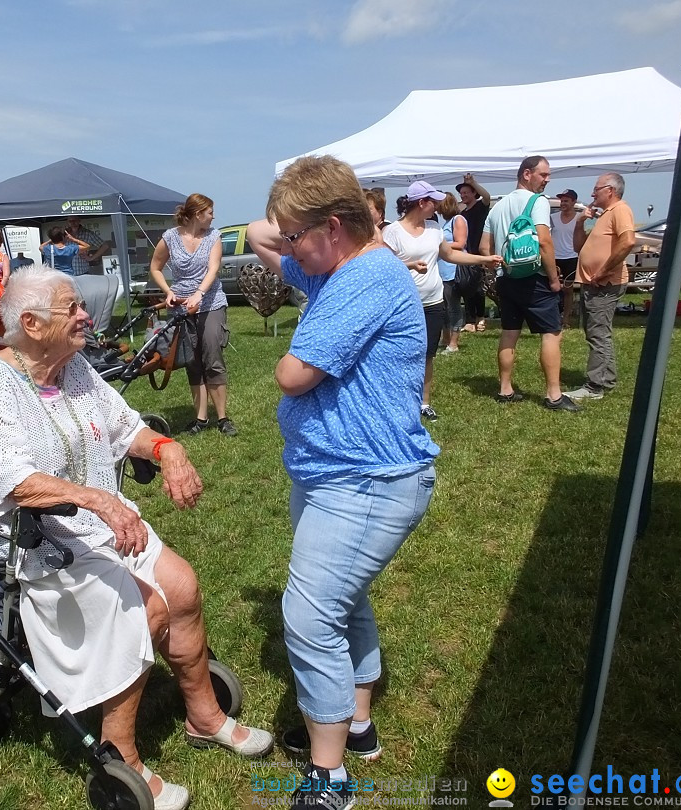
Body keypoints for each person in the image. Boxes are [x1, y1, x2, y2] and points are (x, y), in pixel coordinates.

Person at [0, 266, 273, 810]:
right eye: (71, 308)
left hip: (94, 527)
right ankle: (119, 750)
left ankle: (204, 715)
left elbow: (127, 428)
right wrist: (102, 502)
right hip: (29, 542)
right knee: (145, 609)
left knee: (184, 586)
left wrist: (169, 450)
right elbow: (16, 481)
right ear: (30, 323)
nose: (85, 315)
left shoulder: (73, 367)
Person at [246, 156, 439, 810]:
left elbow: (293, 373)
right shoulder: (333, 264)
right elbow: (254, 233)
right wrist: (289, 228)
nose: (291, 246)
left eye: (300, 234)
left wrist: (313, 242)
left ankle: (330, 781)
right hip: (335, 476)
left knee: (308, 616)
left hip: (369, 480)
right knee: (343, 601)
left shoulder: (365, 278)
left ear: (334, 226)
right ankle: (356, 726)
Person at [382, 182, 501, 421]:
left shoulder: (434, 228)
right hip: (403, 305)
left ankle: (423, 404)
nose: (437, 205)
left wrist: (483, 259)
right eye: (433, 201)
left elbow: (450, 254)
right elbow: (382, 265)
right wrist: (410, 265)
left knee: (427, 355)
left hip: (433, 303)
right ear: (421, 203)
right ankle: (396, 401)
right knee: (401, 354)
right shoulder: (393, 231)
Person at [480, 155, 580, 411]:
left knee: (510, 332)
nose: (547, 180)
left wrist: (500, 267)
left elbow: (484, 248)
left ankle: (505, 389)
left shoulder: (498, 206)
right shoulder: (538, 202)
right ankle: (553, 395)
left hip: (507, 277)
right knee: (551, 333)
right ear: (527, 174)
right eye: (543, 175)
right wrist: (555, 280)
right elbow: (545, 242)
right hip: (534, 278)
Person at [148, 194, 236, 437]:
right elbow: (155, 267)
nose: (213, 216)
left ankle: (223, 418)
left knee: (212, 354)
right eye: (210, 212)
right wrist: (168, 292)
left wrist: (199, 293)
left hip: (210, 303)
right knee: (192, 361)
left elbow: (213, 268)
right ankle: (201, 419)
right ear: (198, 214)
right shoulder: (170, 237)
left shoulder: (214, 237)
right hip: (181, 308)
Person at [566, 173, 636, 402]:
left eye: (596, 189)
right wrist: (580, 222)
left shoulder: (620, 210)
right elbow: (578, 247)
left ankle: (595, 385)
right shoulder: (604, 215)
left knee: (598, 334)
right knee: (596, 332)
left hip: (605, 283)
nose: (592, 194)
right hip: (593, 283)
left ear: (610, 191)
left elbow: (628, 242)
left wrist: (605, 270)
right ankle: (606, 378)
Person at [456, 173, 492, 332]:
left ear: (473, 193)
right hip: (467, 253)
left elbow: (487, 196)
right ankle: (470, 320)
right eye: (461, 193)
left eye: (466, 193)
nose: (463, 195)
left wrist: (472, 182)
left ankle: (480, 318)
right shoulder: (462, 214)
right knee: (467, 286)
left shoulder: (480, 206)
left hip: (481, 252)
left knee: (479, 288)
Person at [437, 192, 467, 354]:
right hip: (443, 270)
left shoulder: (458, 220)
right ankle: (446, 337)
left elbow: (461, 242)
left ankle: (454, 342)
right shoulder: (447, 222)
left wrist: (440, 244)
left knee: (454, 307)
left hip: (453, 270)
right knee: (445, 306)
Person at [551, 189, 580, 328]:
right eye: (562, 201)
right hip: (554, 257)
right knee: (554, 288)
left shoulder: (579, 218)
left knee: (568, 290)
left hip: (571, 257)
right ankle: (554, 316)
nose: (563, 203)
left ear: (574, 202)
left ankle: (566, 319)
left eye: (566, 201)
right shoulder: (553, 217)